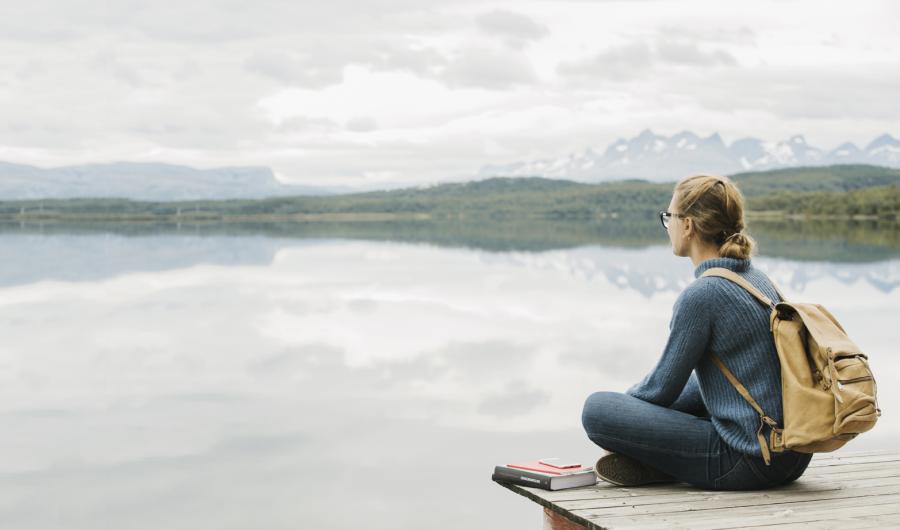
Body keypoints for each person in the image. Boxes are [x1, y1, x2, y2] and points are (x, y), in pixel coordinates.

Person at [581, 174, 812, 490]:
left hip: (743, 461)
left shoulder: (703, 295)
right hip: (791, 457)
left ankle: (660, 460)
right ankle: (663, 462)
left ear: (688, 225)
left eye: (670, 217)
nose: (669, 227)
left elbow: (659, 388)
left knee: (597, 409)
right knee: (697, 384)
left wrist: (625, 421)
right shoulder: (757, 281)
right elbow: (697, 384)